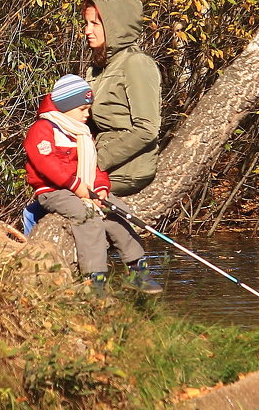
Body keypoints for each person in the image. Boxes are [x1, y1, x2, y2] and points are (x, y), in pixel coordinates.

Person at [24, 74, 163, 295]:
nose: (87, 114)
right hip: (54, 190)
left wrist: (100, 188)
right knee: (86, 216)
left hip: (84, 188)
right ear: (65, 106)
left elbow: (95, 166)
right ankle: (95, 277)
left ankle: (137, 268)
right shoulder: (43, 129)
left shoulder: (81, 133)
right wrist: (76, 186)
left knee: (118, 211)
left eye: (88, 108)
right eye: (82, 109)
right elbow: (47, 164)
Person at [82, 0, 162, 196]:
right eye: (86, 23)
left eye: (95, 24)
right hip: (102, 165)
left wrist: (97, 160)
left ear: (115, 26)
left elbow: (146, 130)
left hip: (128, 171)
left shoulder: (136, 63)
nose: (87, 31)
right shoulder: (97, 68)